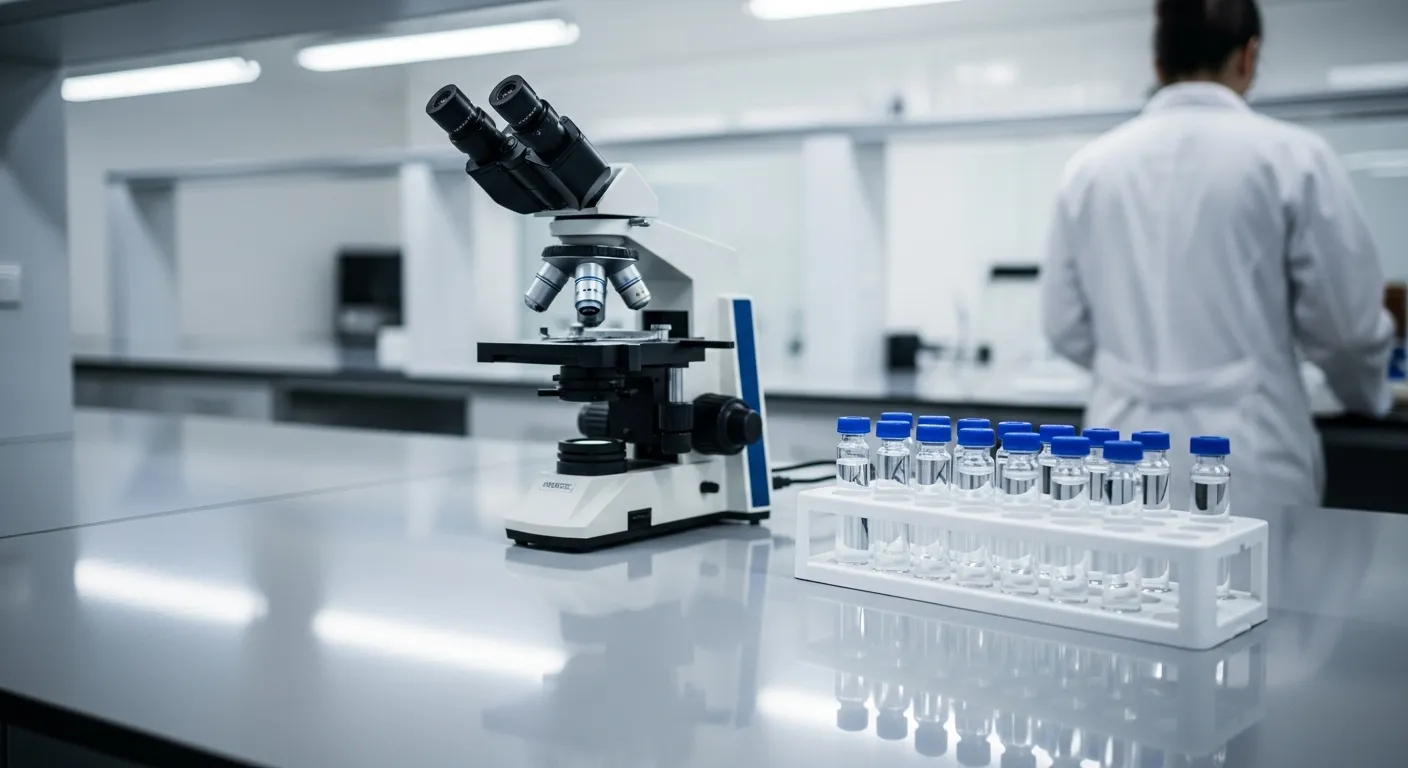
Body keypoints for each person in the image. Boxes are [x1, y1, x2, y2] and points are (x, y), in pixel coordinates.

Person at [1040, 0, 1396, 514]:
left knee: (1120, 588)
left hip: (1119, 450)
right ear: (1249, 57)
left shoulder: (1088, 170)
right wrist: (1369, 396)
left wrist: (1137, 371)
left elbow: (1063, 326)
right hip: (1252, 455)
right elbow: (1345, 330)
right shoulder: (1293, 158)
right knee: (1254, 589)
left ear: (1159, 67)